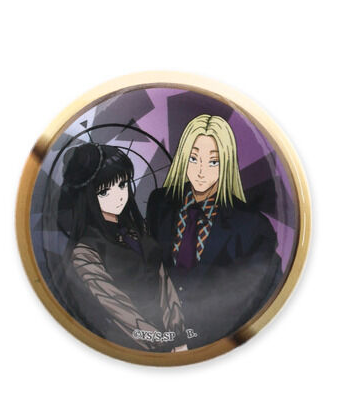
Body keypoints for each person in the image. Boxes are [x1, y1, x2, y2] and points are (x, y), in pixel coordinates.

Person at [147, 114, 283, 348]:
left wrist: (198, 341)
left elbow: (254, 296)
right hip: (159, 335)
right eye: (193, 159)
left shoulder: (251, 226)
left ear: (227, 163)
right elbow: (148, 270)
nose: (201, 171)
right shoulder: (160, 203)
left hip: (217, 341)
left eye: (213, 162)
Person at [56, 142, 187, 352]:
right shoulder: (85, 252)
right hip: (126, 342)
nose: (118, 196)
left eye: (123, 184)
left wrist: (178, 333)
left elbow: (164, 282)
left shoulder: (136, 229)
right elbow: (114, 304)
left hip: (166, 335)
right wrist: (160, 341)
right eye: (104, 192)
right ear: (87, 196)